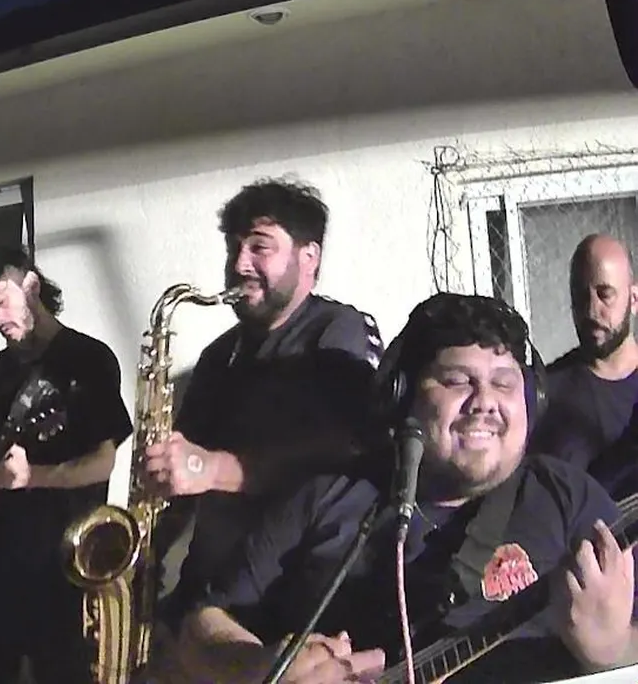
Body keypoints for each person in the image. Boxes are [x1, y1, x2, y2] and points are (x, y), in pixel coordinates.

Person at [166, 292, 638, 684]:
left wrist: (611, 650)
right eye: (458, 380)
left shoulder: (568, 499)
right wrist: (261, 667)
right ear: (402, 396)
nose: (485, 402)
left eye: (504, 383)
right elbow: (201, 626)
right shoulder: (329, 496)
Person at [142, 178, 384, 631]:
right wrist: (144, 549)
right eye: (233, 248)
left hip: (288, 600)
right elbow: (183, 467)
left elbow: (346, 450)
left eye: (260, 246)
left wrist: (215, 468)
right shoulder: (217, 356)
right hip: (207, 590)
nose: (239, 264)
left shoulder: (340, 331)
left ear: (309, 257)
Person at [0, 244, 134, 684]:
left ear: (31, 285)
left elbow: (103, 462)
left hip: (61, 561)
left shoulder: (89, 358)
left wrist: (32, 477)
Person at [530, 233, 638, 470]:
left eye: (605, 294)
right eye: (580, 295)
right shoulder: (545, 394)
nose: (591, 310)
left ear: (634, 299)